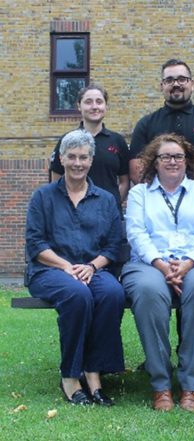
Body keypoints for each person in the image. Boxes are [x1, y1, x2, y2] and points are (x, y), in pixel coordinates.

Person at [122, 133, 194, 412]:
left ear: (187, 160)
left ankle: (191, 385)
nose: (172, 161)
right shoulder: (139, 193)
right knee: (148, 290)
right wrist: (162, 265)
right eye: (165, 156)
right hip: (148, 264)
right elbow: (137, 234)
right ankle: (161, 384)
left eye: (178, 156)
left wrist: (188, 263)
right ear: (154, 162)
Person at [25, 129, 125, 406]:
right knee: (77, 295)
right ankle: (70, 375)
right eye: (72, 157)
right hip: (49, 270)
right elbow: (35, 243)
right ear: (61, 158)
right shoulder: (43, 197)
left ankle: (94, 374)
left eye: (83, 157)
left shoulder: (105, 199)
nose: (78, 163)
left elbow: (114, 245)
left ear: (91, 160)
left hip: (94, 269)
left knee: (112, 293)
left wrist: (92, 266)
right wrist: (66, 266)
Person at [129, 59, 194, 188]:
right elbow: (137, 172)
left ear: (192, 84)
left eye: (182, 79)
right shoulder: (145, 124)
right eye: (169, 80)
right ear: (161, 86)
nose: (176, 84)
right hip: (157, 204)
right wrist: (162, 195)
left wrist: (191, 195)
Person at [50, 83, 129, 208]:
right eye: (88, 102)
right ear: (79, 106)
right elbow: (56, 179)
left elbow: (125, 181)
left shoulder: (118, 141)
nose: (94, 106)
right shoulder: (67, 141)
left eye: (99, 102)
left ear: (106, 106)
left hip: (109, 216)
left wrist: (112, 205)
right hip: (74, 215)